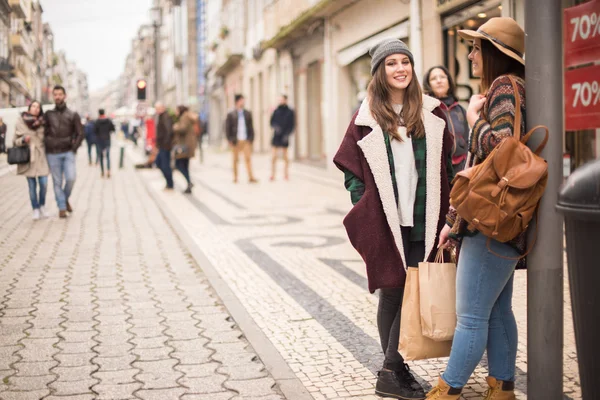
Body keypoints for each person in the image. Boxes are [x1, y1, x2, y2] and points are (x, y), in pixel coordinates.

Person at [333, 38, 455, 400]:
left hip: (424, 216)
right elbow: (349, 165)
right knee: (391, 291)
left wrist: (450, 214)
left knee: (413, 292)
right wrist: (363, 200)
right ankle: (394, 371)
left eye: (405, 62)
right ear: (379, 72)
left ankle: (391, 370)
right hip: (386, 218)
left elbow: (447, 166)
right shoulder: (366, 117)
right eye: (391, 63)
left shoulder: (433, 112)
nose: (400, 68)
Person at [432, 18, 527, 400]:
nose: (470, 54)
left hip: (491, 223)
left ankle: (447, 390)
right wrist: (453, 221)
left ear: (492, 53)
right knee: (499, 311)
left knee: (471, 316)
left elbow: (501, 150)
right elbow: (480, 170)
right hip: (498, 221)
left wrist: (473, 119)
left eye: (475, 48)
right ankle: (502, 387)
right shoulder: (511, 87)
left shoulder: (506, 86)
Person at [44, 85, 84, 219]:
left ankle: (64, 199)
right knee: (57, 182)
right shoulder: (49, 114)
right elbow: (43, 132)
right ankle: (62, 207)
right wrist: (47, 143)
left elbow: (80, 133)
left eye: (60, 94)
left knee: (71, 178)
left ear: (64, 96)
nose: (57, 97)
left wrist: (74, 148)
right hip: (52, 153)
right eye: (55, 94)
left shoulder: (72, 114)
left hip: (68, 152)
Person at [423, 65, 469, 173]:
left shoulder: (460, 110)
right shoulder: (426, 109)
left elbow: (467, 139)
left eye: (442, 77)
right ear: (428, 84)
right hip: (438, 168)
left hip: (461, 166)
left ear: (449, 81)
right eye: (434, 78)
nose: (439, 81)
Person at [13, 101, 50, 220]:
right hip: (29, 157)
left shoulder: (44, 121)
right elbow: (15, 140)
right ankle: (35, 209)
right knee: (31, 186)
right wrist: (23, 140)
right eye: (33, 106)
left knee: (44, 183)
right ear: (29, 108)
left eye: (38, 107)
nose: (36, 109)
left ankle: (42, 206)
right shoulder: (20, 121)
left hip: (41, 156)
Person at [225, 94, 257, 183]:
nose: (243, 102)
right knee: (235, 160)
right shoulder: (231, 114)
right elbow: (227, 128)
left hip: (246, 139)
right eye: (242, 100)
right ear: (237, 101)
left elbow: (251, 127)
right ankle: (235, 177)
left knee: (248, 158)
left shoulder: (247, 113)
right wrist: (229, 139)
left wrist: (251, 138)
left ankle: (251, 177)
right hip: (235, 140)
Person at [172, 105, 198, 194]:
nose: (175, 112)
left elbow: (182, 129)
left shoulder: (184, 117)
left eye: (176, 110)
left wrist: (175, 126)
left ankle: (189, 182)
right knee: (185, 165)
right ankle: (189, 184)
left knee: (179, 164)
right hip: (188, 145)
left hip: (184, 145)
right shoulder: (187, 117)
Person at [269, 94, 295, 181]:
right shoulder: (276, 111)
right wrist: (276, 128)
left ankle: (286, 174)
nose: (280, 101)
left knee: (285, 157)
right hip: (276, 136)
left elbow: (292, 125)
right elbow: (271, 122)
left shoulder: (290, 111)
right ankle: (273, 174)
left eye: (282, 100)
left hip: (284, 136)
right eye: (279, 100)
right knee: (273, 156)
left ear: (285, 100)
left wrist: (287, 134)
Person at [155, 102, 174, 190]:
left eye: (158, 108)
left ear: (162, 108)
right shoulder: (161, 116)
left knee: (165, 165)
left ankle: (170, 183)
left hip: (165, 146)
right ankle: (169, 182)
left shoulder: (165, 117)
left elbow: (168, 131)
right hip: (162, 145)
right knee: (159, 162)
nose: (156, 110)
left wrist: (166, 144)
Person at [94, 109, 116, 178]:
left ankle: (102, 172)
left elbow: (94, 131)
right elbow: (113, 129)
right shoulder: (108, 121)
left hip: (99, 140)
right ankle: (108, 170)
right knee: (108, 156)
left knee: (101, 157)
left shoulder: (97, 121)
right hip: (107, 140)